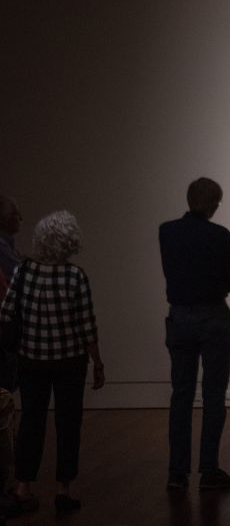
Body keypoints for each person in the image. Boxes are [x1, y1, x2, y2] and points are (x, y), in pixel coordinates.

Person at [0, 211, 105, 513]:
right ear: (70, 241)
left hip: (31, 360)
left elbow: (5, 314)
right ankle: (63, 489)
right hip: (69, 363)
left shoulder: (23, 271)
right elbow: (87, 327)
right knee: (68, 424)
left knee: (31, 422)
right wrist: (97, 362)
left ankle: (23, 487)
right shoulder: (75, 277)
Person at [158, 177, 230, 492]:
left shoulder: (167, 232)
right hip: (213, 316)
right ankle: (209, 468)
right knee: (214, 394)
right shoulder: (219, 236)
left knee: (181, 394)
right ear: (214, 203)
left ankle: (177, 472)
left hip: (179, 316)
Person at [0, 196, 22, 282]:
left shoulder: (9, 247)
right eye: (15, 213)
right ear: (3, 219)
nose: (20, 217)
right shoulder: (1, 246)